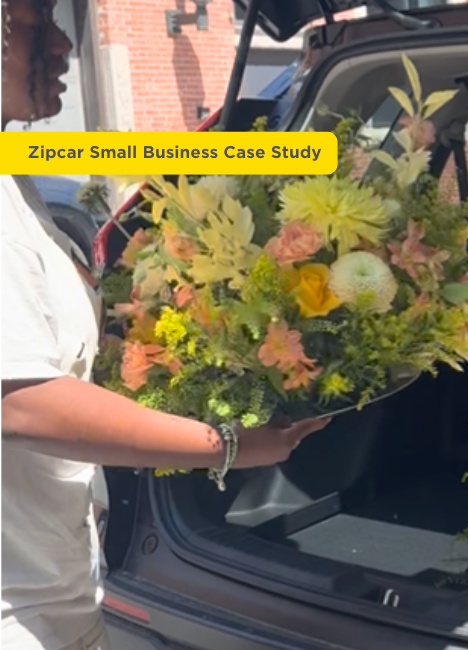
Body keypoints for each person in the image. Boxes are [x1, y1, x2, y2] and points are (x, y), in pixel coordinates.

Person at [1, 2, 331, 649]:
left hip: (52, 586)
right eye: (37, 24)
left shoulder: (15, 179)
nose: (65, 45)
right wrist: (231, 444)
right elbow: (21, 401)